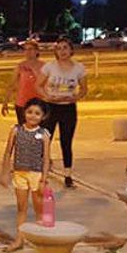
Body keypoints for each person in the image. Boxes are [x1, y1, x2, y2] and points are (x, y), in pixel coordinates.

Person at [0, 98, 51, 252]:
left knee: (39, 209)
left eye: (37, 114)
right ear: (24, 112)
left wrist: (44, 178)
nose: (32, 116)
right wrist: (5, 172)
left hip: (36, 174)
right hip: (19, 174)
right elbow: (8, 152)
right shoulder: (16, 130)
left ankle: (41, 238)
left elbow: (46, 158)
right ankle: (19, 239)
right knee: (21, 208)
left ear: (43, 116)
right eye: (29, 112)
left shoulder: (44, 134)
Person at [36, 37, 87, 188]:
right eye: (59, 48)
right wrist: (47, 96)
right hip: (51, 107)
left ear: (71, 50)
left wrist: (74, 98)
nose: (62, 51)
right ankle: (41, 172)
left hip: (68, 108)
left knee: (66, 141)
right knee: (45, 140)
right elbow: (38, 85)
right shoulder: (49, 67)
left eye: (65, 48)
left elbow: (84, 89)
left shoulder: (79, 68)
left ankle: (68, 175)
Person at [1, 39, 44, 125]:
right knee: (24, 131)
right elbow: (11, 85)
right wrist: (5, 102)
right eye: (26, 49)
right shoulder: (20, 66)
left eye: (31, 49)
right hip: (22, 103)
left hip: (39, 103)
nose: (28, 52)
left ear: (36, 51)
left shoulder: (44, 66)